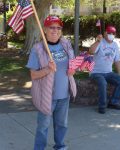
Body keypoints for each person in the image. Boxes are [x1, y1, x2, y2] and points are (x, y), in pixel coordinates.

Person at [26, 16, 76, 150]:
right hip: (46, 97)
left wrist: (72, 70)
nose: (55, 30)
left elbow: (72, 64)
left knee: (62, 125)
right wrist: (48, 69)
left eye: (58, 27)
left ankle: (60, 146)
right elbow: (33, 75)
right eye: (51, 27)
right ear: (45, 30)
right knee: (43, 127)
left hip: (64, 95)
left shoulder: (66, 44)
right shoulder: (38, 49)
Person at [89, 25, 120, 114]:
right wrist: (97, 41)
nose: (111, 35)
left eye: (113, 33)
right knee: (103, 82)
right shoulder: (100, 42)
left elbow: (117, 60)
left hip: (108, 72)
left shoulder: (115, 45)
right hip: (96, 72)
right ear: (105, 33)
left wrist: (119, 74)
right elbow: (91, 51)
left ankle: (113, 102)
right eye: (109, 33)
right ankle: (102, 106)